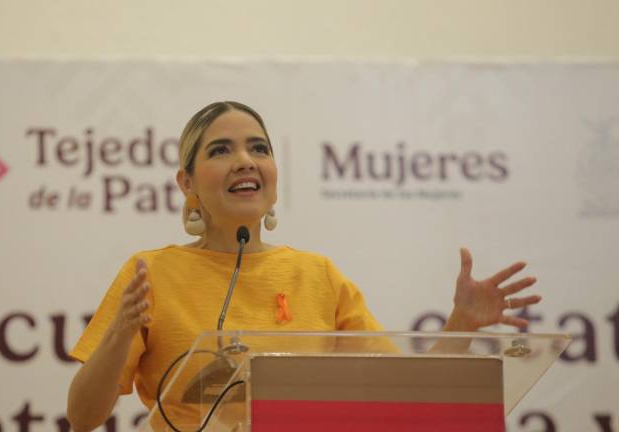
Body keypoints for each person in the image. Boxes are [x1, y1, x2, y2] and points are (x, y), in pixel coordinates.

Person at [66, 101, 541, 432]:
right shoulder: (151, 273)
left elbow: (404, 393)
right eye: (221, 150)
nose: (245, 161)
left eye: (259, 148)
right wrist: (118, 334)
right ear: (186, 183)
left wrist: (461, 324)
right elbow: (83, 418)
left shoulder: (318, 275)